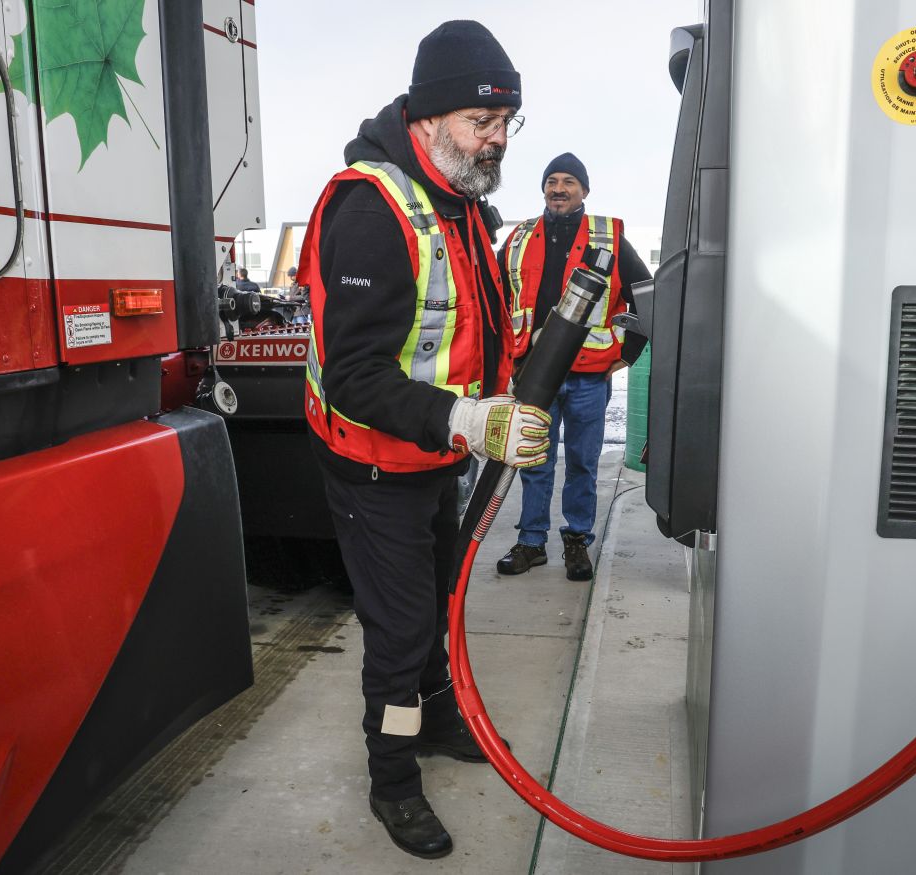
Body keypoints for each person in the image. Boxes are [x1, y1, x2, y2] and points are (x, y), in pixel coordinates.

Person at [299, 20, 546, 860]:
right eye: (485, 123)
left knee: (437, 604)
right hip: (374, 468)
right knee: (400, 636)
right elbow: (355, 376)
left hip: (433, 456)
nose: (500, 139)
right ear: (432, 118)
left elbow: (471, 331)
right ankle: (393, 776)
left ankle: (439, 721)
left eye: (509, 123)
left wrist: (499, 398)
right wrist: (470, 420)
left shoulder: (461, 202)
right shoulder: (372, 209)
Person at [496, 153, 651, 581]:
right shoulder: (520, 236)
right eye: (551, 181)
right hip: (533, 373)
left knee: (583, 463)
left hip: (588, 376)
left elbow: (647, 295)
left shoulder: (609, 237)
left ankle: (577, 542)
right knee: (533, 462)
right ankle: (531, 542)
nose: (558, 188)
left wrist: (629, 353)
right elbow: (491, 296)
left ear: (584, 190)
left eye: (568, 181)